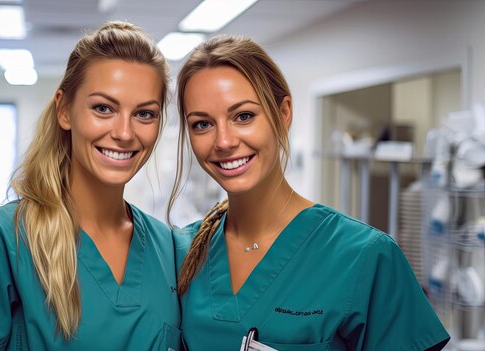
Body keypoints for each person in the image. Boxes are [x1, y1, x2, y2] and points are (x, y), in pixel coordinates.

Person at [168, 35, 450, 351]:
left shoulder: (364, 257)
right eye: (202, 124)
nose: (223, 141)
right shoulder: (182, 254)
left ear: (283, 113)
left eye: (243, 116)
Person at [0, 21, 181, 350]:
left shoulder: (168, 249)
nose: (125, 133)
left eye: (145, 114)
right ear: (64, 110)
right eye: (103, 108)